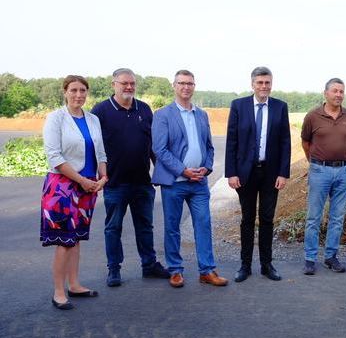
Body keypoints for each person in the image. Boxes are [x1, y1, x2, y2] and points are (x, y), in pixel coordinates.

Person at [92, 68, 169, 287]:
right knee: (113, 227)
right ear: (113, 84)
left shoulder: (144, 109)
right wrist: (98, 174)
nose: (129, 87)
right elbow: (94, 146)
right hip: (115, 182)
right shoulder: (101, 111)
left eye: (132, 83)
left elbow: (153, 145)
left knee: (145, 226)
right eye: (124, 83)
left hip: (142, 182)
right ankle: (114, 269)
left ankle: (149, 265)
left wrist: (160, 174)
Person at [151, 70, 228, 288]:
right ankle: (175, 270)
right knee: (173, 227)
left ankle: (207, 270)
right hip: (175, 183)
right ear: (174, 86)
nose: (186, 87)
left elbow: (209, 147)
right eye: (182, 83)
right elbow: (160, 149)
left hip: (199, 184)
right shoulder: (163, 115)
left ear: (194, 86)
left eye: (190, 83)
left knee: (203, 224)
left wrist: (208, 167)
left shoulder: (201, 115)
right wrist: (183, 170)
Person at [41, 75, 108, 310]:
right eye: (74, 90)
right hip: (63, 186)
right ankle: (59, 291)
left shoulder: (93, 119)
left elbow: (100, 152)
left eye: (82, 90)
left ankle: (75, 284)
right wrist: (81, 180)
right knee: (64, 240)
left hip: (89, 185)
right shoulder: (55, 118)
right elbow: (54, 156)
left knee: (77, 237)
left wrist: (103, 176)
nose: (78, 95)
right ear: (65, 92)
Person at [225, 67, 291, 282]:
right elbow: (232, 141)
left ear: (272, 84)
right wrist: (231, 173)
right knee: (247, 219)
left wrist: (283, 173)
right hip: (245, 173)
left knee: (267, 219)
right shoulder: (239, 106)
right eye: (260, 82)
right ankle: (245, 266)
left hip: (271, 174)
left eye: (267, 83)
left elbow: (285, 142)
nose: (264, 86)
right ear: (252, 84)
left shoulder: (280, 107)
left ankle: (266, 265)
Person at [301, 78, 346, 275]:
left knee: (337, 217)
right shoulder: (313, 116)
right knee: (314, 217)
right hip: (320, 171)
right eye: (335, 91)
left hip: (344, 171)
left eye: (342, 91)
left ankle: (331, 256)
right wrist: (315, 163)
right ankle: (310, 258)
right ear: (326, 93)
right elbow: (306, 142)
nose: (339, 95)